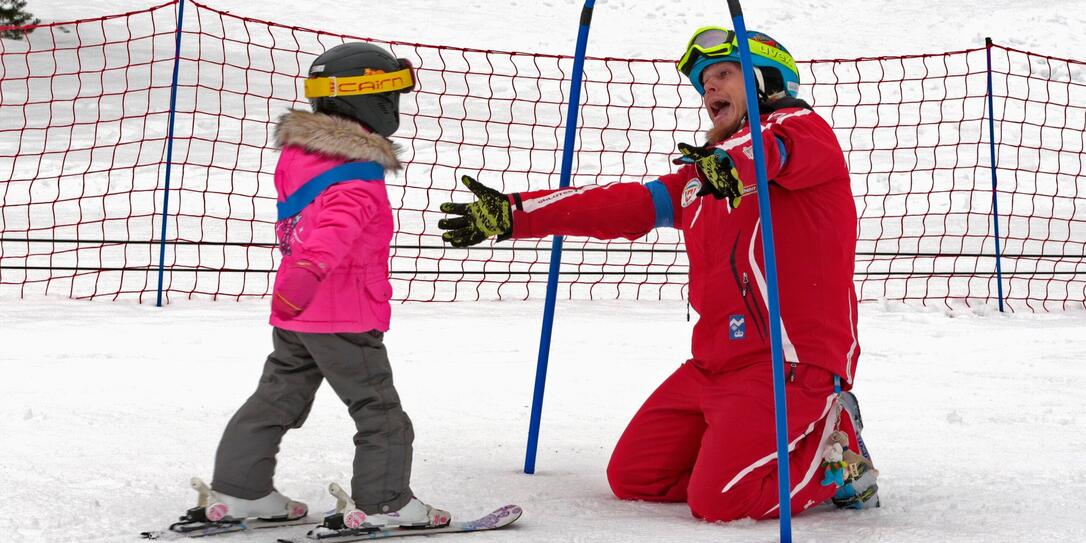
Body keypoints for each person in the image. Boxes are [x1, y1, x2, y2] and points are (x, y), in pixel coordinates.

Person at [437, 27, 879, 522]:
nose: (710, 89)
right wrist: (519, 215)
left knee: (719, 502)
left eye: (724, 74)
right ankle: (751, 453)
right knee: (634, 478)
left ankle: (836, 458)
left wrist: (731, 166)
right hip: (714, 363)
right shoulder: (702, 179)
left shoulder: (800, 131)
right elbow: (623, 204)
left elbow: (770, 152)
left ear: (765, 78)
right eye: (705, 82)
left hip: (789, 366)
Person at [190, 42, 450, 531]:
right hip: (342, 314)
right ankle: (385, 503)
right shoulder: (357, 177)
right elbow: (333, 230)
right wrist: (307, 274)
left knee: (277, 398)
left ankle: (240, 490)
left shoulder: (304, 157)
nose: (396, 106)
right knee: (379, 411)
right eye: (392, 93)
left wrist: (297, 287)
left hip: (297, 313)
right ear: (367, 98)